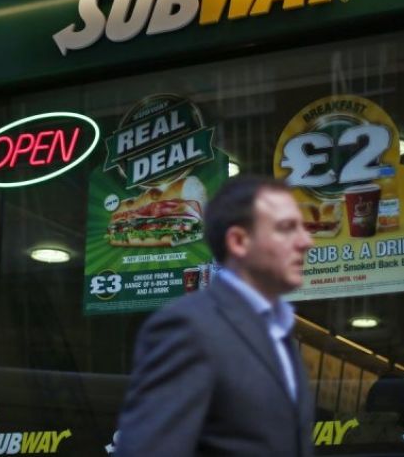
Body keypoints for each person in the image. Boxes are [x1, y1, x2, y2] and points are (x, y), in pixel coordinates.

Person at [115, 176, 315, 456]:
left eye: (304, 228)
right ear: (239, 241)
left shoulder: (277, 330)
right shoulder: (188, 327)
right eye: (286, 228)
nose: (306, 241)